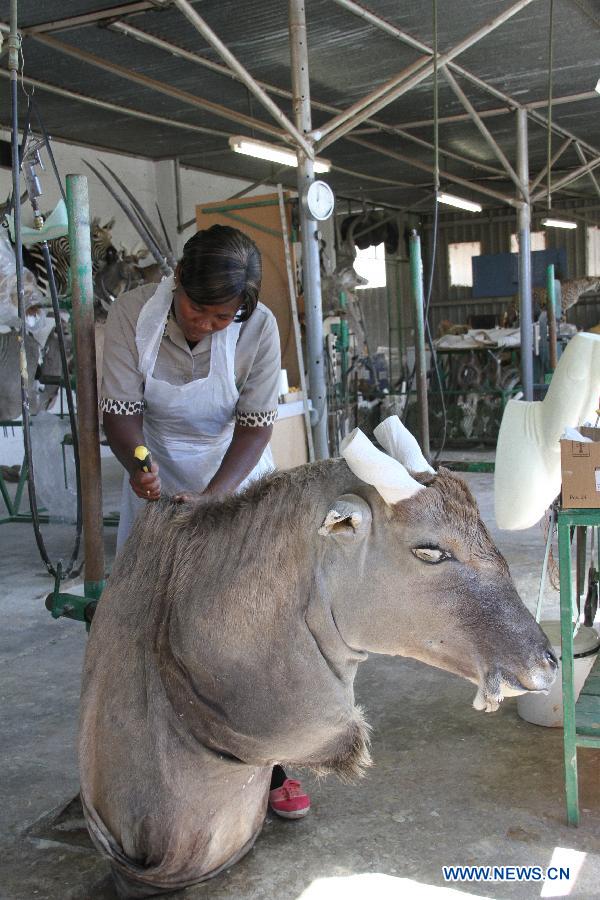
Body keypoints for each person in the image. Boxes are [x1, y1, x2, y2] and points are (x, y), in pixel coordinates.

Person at [100, 224, 310, 820]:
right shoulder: (133, 315)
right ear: (177, 284)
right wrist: (141, 467)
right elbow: (121, 413)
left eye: (222, 319)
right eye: (197, 309)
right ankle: (161, 759)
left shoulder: (260, 328)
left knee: (251, 624)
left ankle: (271, 768)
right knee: (154, 621)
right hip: (155, 472)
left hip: (234, 476)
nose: (205, 325)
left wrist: (217, 496)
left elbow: (256, 423)